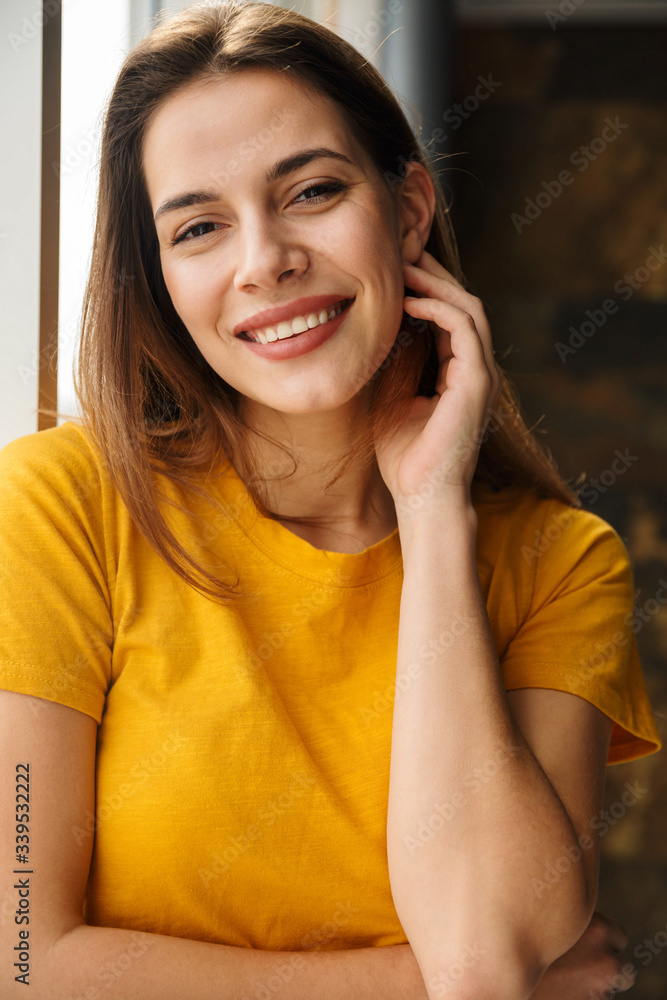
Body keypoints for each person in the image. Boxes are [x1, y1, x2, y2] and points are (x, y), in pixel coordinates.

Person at [0, 2, 660, 998]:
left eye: (309, 191)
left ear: (406, 211)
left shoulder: (560, 563)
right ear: (162, 277)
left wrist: (434, 510)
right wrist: (413, 983)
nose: (263, 259)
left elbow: (481, 959)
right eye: (199, 227)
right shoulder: (58, 505)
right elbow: (19, 960)